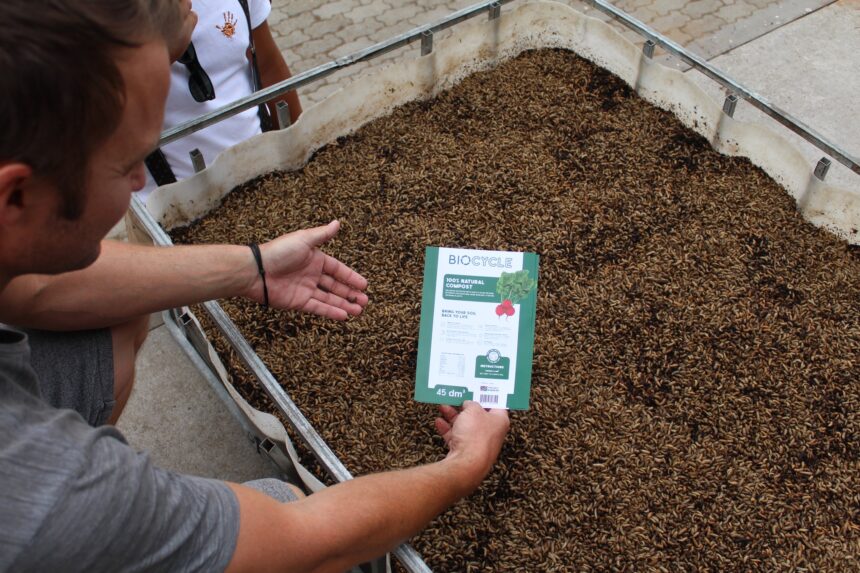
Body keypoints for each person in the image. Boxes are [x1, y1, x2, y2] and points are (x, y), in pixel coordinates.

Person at [0, 1, 510, 572]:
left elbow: (35, 292)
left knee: (120, 308)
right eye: (127, 166)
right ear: (15, 196)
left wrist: (251, 267)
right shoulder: (45, 492)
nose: (143, 183)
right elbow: (305, 541)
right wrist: (464, 465)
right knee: (280, 500)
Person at [142, 0, 303, 198]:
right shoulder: (105, 18)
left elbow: (267, 64)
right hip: (174, 209)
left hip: (268, 173)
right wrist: (152, 57)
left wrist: (301, 153)